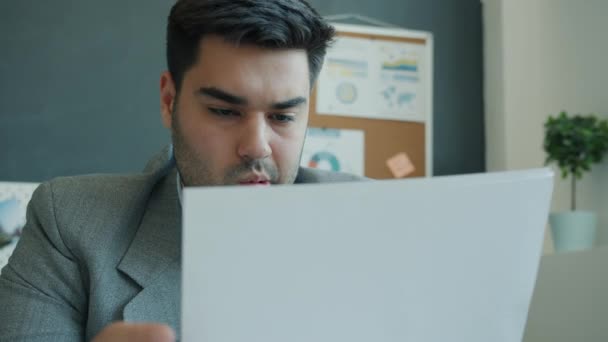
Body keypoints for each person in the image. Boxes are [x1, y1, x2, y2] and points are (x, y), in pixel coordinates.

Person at [0, 0, 364, 341]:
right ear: (168, 101)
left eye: (283, 117)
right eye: (224, 111)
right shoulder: (69, 224)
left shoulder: (371, 220)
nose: (257, 146)